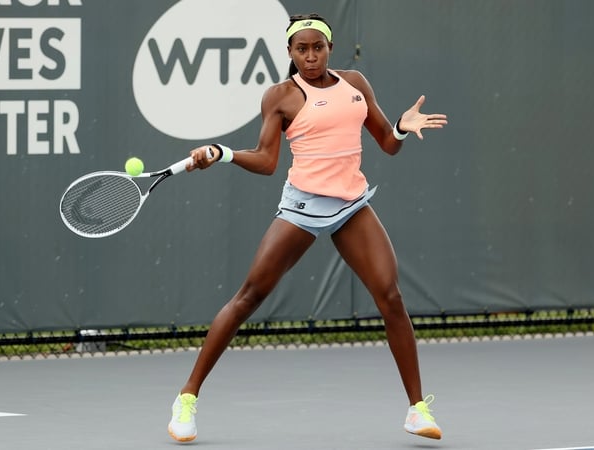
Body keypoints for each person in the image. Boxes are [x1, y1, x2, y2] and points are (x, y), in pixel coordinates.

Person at [168, 13, 449, 443]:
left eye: (318, 47)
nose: (311, 56)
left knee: (391, 296)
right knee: (248, 298)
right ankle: (186, 398)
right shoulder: (281, 97)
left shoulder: (355, 83)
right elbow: (266, 161)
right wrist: (223, 153)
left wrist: (402, 128)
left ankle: (416, 409)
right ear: (290, 53)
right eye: (302, 49)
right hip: (302, 206)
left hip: (351, 204)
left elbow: (388, 145)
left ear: (329, 49)